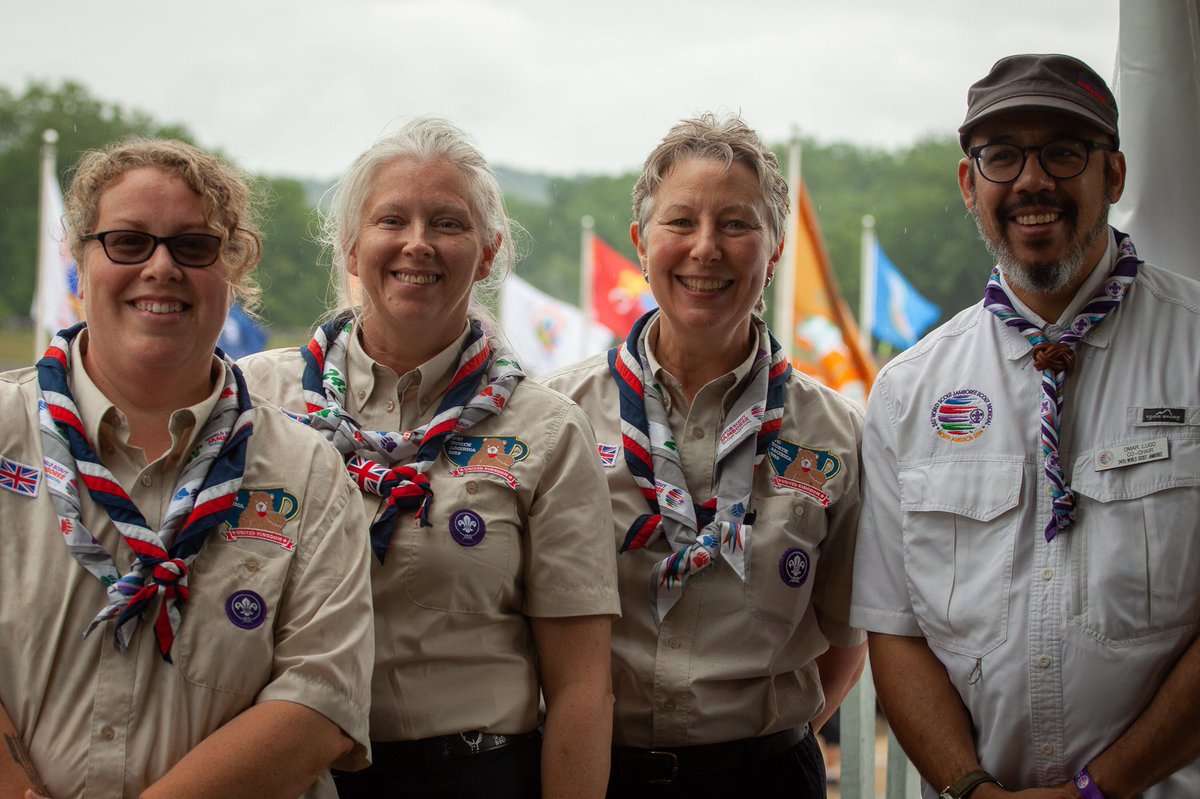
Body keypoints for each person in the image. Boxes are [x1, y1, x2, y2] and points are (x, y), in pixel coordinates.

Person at [851, 54, 1200, 798]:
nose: (1031, 180)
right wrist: (971, 789)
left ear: (1113, 176)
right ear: (968, 185)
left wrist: (1101, 789)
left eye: (1064, 152)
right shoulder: (908, 390)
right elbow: (896, 630)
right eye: (1001, 156)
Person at [238, 117, 620, 799]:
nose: (418, 243)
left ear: (488, 253)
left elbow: (582, 687)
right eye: (392, 219)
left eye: (447, 223)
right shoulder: (254, 400)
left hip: (471, 775)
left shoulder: (549, 431)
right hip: (282, 774)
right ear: (352, 248)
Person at [0, 138, 375, 799]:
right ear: (78, 262)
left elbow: (322, 702)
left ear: (232, 269)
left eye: (194, 246)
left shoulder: (308, 472)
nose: (161, 266)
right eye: (129, 242)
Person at [542, 114, 867, 798]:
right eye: (680, 222)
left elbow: (846, 632)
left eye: (737, 225)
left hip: (764, 777)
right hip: (593, 772)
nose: (706, 248)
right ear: (641, 241)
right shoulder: (555, 414)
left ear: (775, 250)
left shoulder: (837, 432)